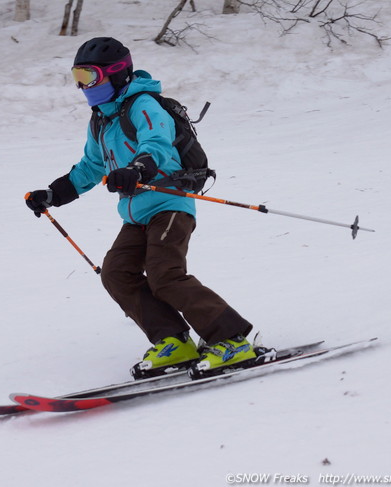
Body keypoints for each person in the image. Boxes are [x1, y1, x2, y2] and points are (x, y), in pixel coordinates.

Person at [25, 37, 262, 379]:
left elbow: (157, 145)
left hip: (169, 203)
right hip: (136, 213)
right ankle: (173, 340)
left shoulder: (144, 105)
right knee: (116, 273)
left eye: (89, 76)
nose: (82, 86)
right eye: (78, 77)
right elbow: (91, 167)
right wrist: (53, 194)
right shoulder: (101, 120)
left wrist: (136, 170)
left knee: (165, 274)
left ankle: (232, 339)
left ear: (116, 73)